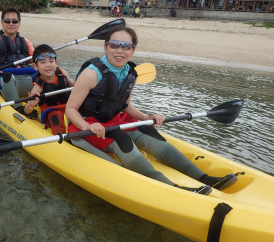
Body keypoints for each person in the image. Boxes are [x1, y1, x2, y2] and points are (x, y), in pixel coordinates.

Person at [65, 26, 238, 195]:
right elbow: (70, 109)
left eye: (126, 46)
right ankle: (170, 187)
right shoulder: (91, 74)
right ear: (105, 47)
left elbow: (124, 105)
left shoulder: (131, 73)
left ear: (133, 50)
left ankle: (204, 178)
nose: (120, 50)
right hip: (87, 125)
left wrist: (146, 117)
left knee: (148, 130)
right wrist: (87, 127)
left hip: (115, 121)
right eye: (114, 44)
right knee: (121, 138)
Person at [23, 44, 75, 133]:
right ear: (35, 66)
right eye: (43, 62)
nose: (48, 65)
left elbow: (74, 86)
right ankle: (60, 141)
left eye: (51, 61)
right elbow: (26, 111)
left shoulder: (62, 73)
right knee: (56, 118)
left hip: (68, 106)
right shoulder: (38, 86)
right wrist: (31, 104)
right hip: (52, 111)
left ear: (56, 63)